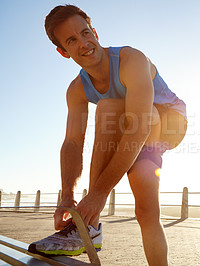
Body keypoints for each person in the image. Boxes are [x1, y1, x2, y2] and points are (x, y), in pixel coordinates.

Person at [28, 5, 187, 265]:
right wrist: (67, 194)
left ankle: (89, 226)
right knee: (147, 212)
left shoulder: (131, 59)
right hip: (134, 135)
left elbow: (140, 126)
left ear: (95, 33)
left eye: (85, 33)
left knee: (108, 107)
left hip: (169, 121)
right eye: (71, 41)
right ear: (63, 52)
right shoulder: (77, 89)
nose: (84, 43)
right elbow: (72, 142)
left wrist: (99, 194)